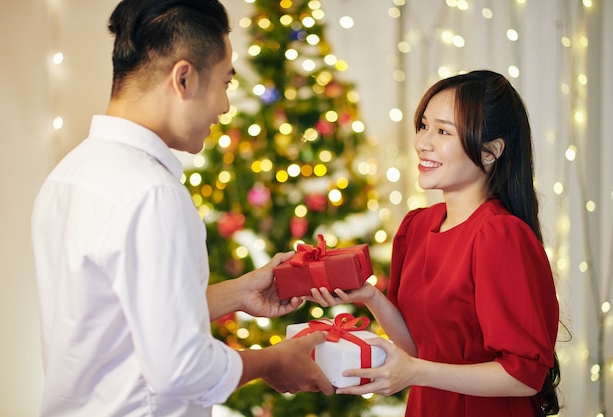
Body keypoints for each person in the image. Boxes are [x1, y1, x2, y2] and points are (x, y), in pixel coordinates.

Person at [31, 1, 334, 416]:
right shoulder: (151, 193)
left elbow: (111, 320)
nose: (224, 106)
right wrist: (274, 361)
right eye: (225, 82)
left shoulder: (69, 174)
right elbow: (181, 368)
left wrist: (237, 293)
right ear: (184, 78)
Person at [310, 70, 561, 417]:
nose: (422, 142)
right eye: (424, 126)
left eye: (443, 131)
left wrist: (417, 371)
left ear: (490, 151)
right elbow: (418, 345)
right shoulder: (417, 226)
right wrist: (369, 296)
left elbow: (525, 377)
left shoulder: (500, 235)